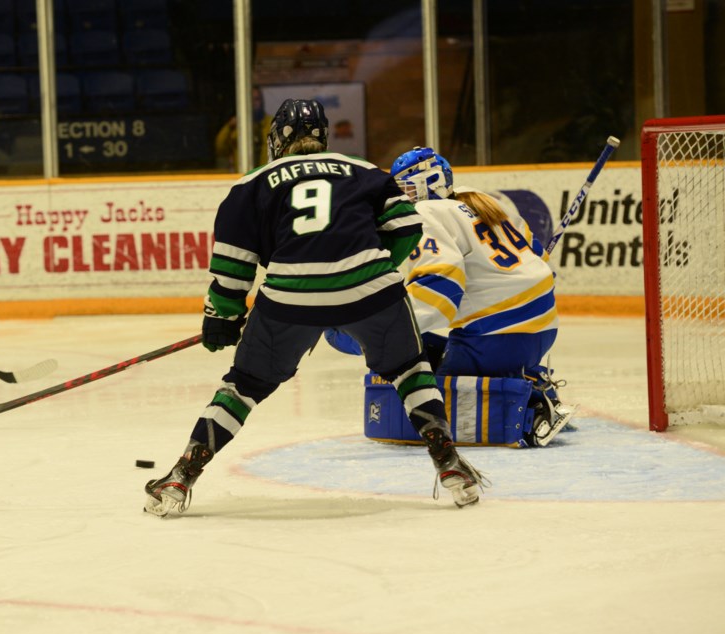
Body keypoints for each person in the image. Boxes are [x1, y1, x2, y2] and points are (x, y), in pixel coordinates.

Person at [144, 100, 486, 517]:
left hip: (290, 301)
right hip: (373, 291)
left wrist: (225, 317)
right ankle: (450, 464)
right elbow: (408, 227)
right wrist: (372, 270)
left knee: (243, 387)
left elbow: (233, 268)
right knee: (411, 370)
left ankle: (181, 476)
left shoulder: (249, 185)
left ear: (277, 140)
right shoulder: (361, 169)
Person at [327, 147, 571, 446]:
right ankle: (531, 378)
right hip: (541, 327)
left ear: (424, 185)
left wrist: (380, 334)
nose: (400, 197)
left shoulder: (424, 213)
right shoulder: (479, 199)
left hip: (498, 335)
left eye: (404, 188)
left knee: (429, 405)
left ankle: (531, 409)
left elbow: (440, 289)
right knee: (428, 348)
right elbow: (535, 255)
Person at [214, 87, 273, 171]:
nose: (253, 103)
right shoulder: (239, 126)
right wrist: (228, 127)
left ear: (262, 102)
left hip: (266, 175)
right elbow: (220, 149)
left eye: (256, 99)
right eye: (250, 99)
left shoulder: (271, 124)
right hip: (244, 176)